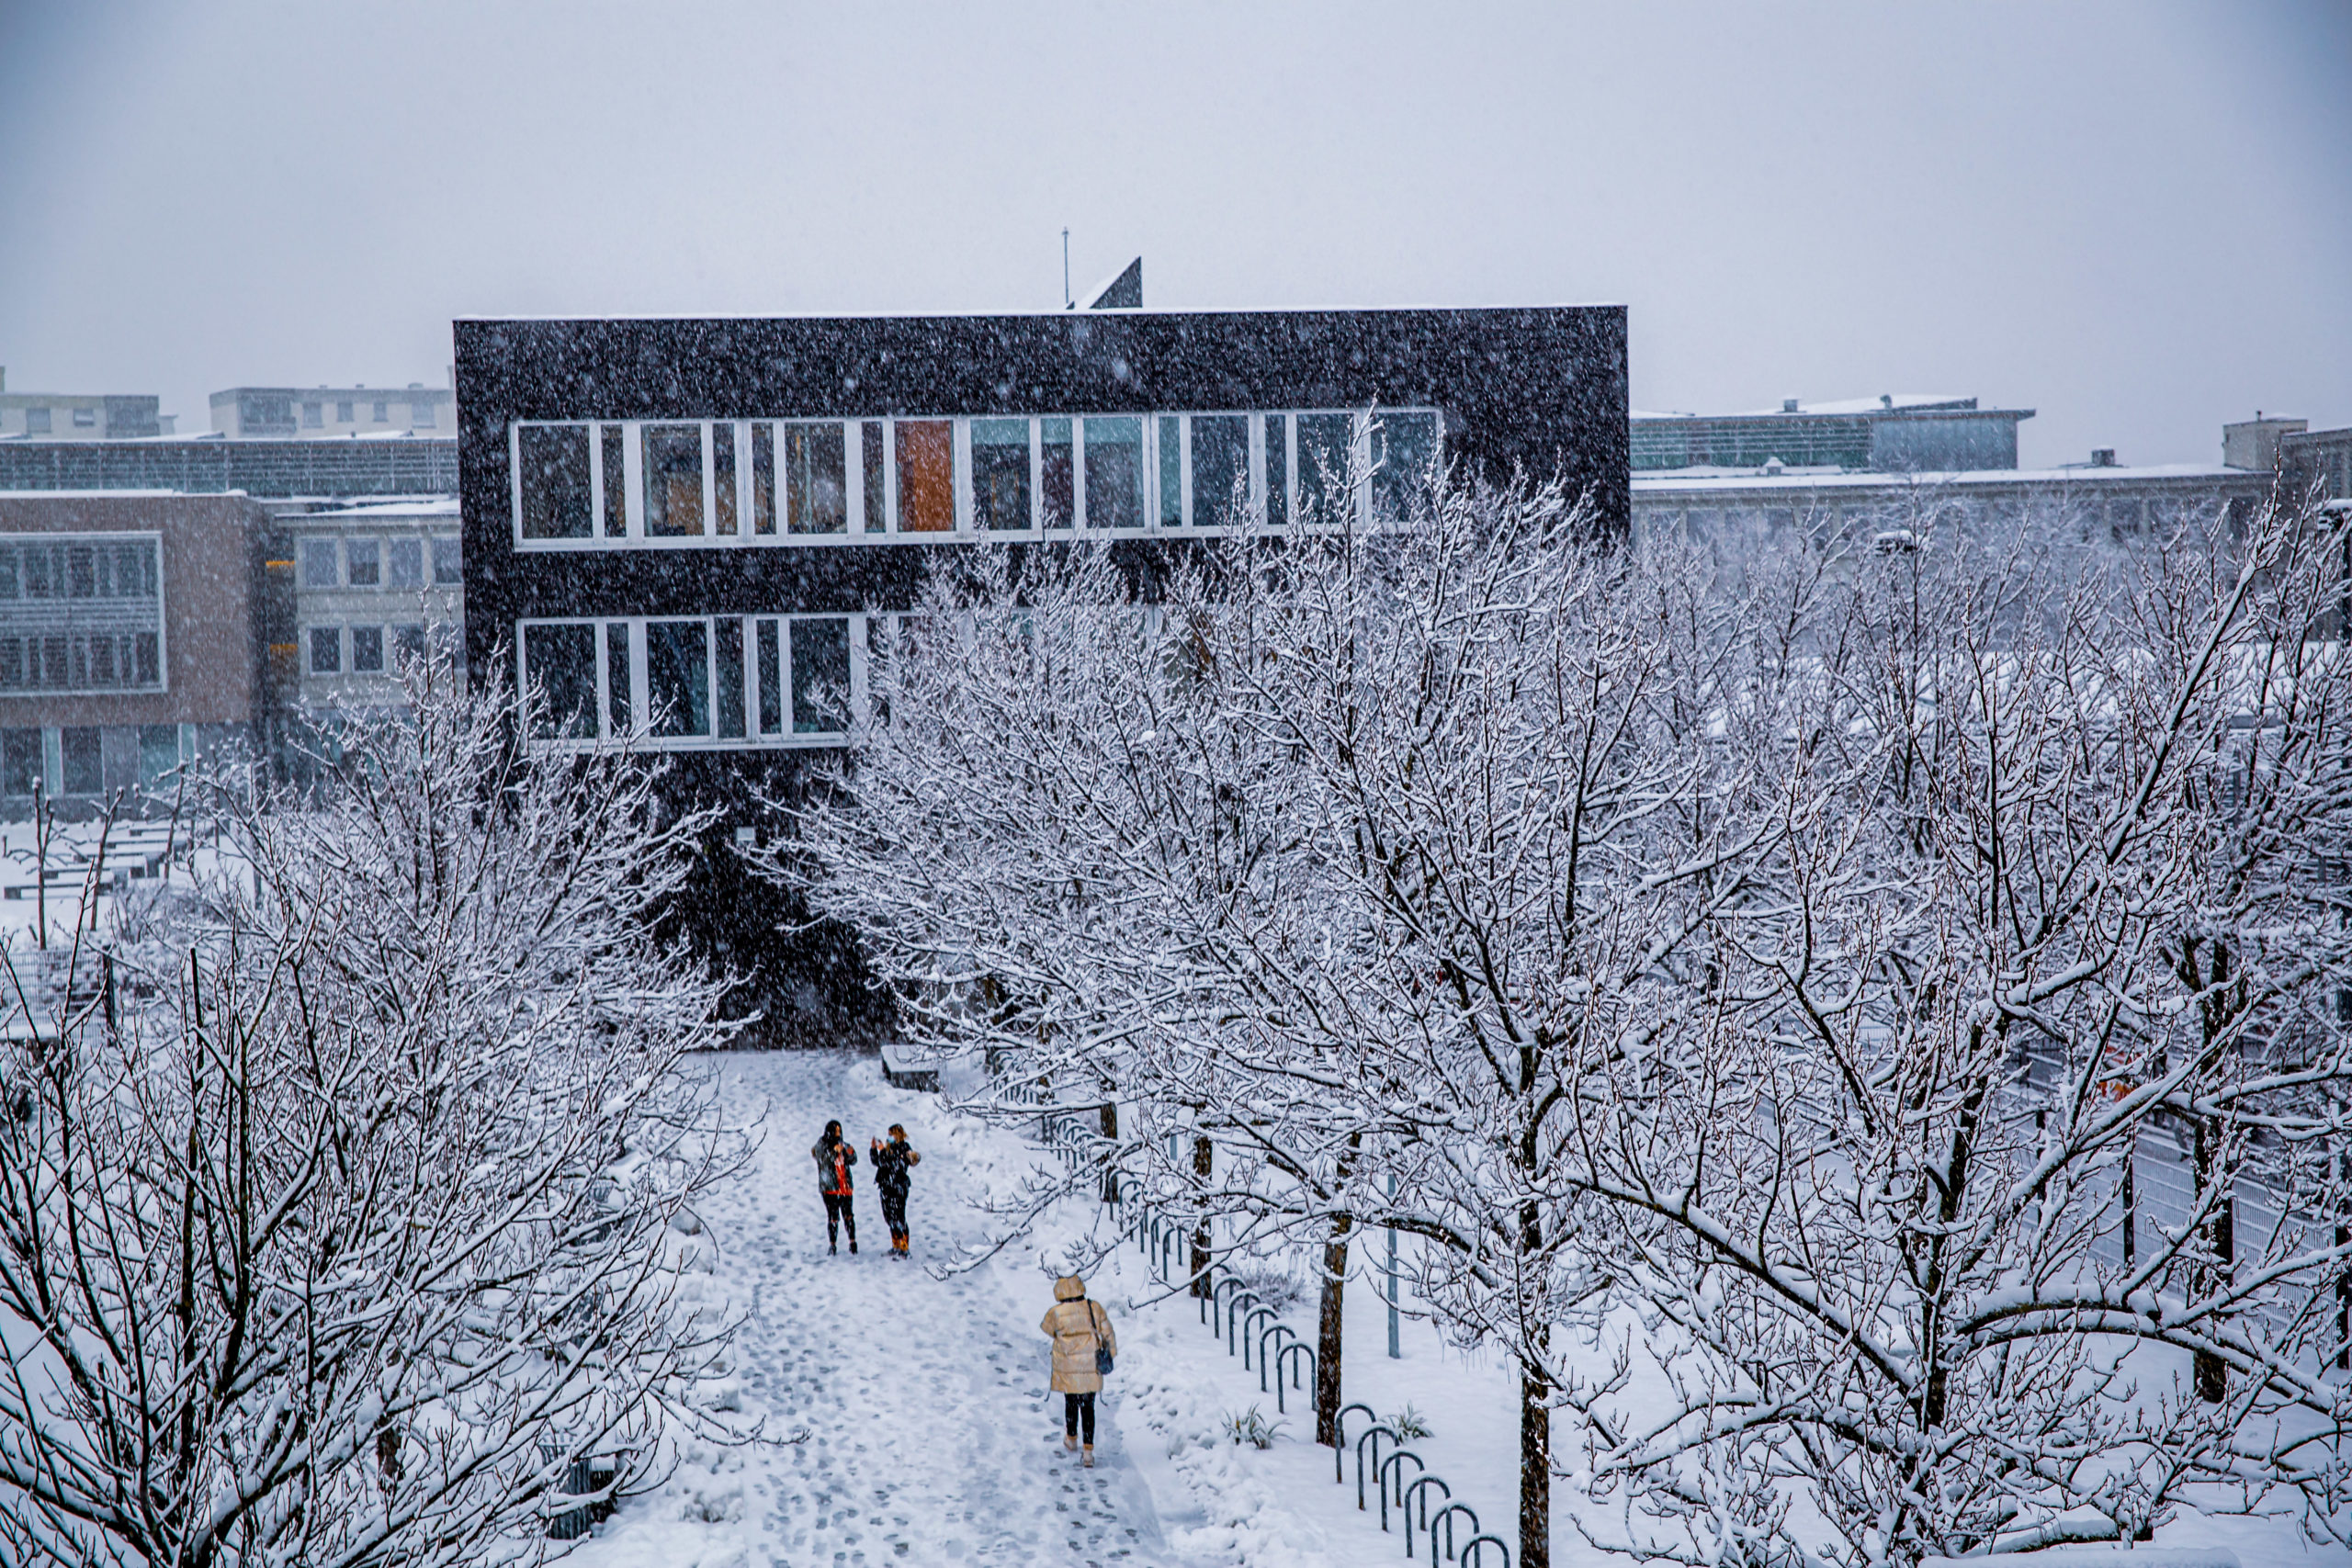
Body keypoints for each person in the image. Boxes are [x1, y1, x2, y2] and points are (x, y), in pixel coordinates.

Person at [1040, 1276, 1116, 1467]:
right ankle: (1088, 1451)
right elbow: (1108, 1333)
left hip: (1068, 1367)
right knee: (1089, 1408)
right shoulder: (1094, 1307)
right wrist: (1110, 1354)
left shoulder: (1055, 1313)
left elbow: (1047, 1329)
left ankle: (1071, 1437)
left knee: (1071, 1403)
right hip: (1089, 1366)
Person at [870, 1124, 922, 1257]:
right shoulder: (888, 1148)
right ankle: (896, 1245)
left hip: (898, 1186)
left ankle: (904, 1247)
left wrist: (882, 1152)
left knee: (899, 1216)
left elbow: (894, 1165)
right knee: (889, 1217)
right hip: (886, 1186)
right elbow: (878, 1162)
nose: (889, 1137)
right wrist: (874, 1149)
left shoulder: (904, 1148)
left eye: (891, 1134)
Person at [811, 1120, 857, 1255]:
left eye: (839, 1131)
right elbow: (823, 1161)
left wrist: (849, 1152)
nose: (838, 1134)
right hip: (830, 1187)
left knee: (848, 1215)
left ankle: (852, 1242)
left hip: (845, 1186)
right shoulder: (821, 1145)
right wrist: (833, 1152)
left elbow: (853, 1160)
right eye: (836, 1131)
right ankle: (833, 1244)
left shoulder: (843, 1144)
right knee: (833, 1217)